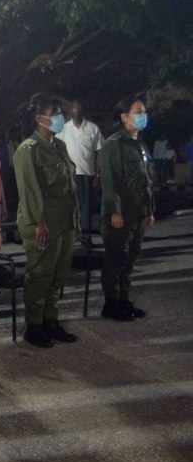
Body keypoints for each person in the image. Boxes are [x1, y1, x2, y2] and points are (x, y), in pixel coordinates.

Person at [14, 94, 80, 348]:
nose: (59, 118)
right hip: (41, 222)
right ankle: (34, 325)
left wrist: (75, 221)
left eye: (59, 113)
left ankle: (51, 320)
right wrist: (37, 223)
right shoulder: (28, 150)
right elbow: (30, 191)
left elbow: (70, 188)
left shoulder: (58, 146)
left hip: (63, 221)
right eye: (53, 113)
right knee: (40, 275)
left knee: (58, 275)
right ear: (38, 118)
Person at [99, 95, 154, 321]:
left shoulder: (139, 143)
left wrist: (150, 210)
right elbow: (111, 180)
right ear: (124, 117)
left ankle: (123, 300)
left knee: (130, 260)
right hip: (121, 214)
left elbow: (147, 179)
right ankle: (111, 304)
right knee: (116, 260)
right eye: (138, 112)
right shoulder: (114, 144)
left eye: (144, 112)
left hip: (139, 212)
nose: (143, 117)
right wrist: (115, 211)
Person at [59, 100, 104, 234]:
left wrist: (99, 175)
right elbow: (57, 150)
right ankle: (73, 235)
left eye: (79, 107)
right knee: (72, 207)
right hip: (70, 175)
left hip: (88, 175)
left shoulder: (92, 128)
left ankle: (86, 237)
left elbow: (99, 152)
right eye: (73, 107)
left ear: (83, 109)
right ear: (69, 110)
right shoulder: (64, 129)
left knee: (87, 207)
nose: (76, 110)